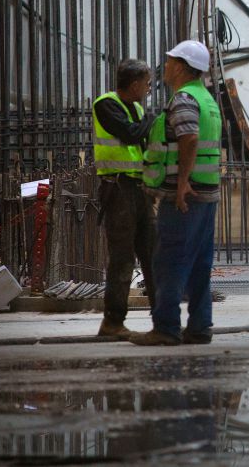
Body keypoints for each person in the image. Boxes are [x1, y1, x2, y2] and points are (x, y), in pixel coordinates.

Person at [130, 40, 222, 346]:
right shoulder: (207, 99)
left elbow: (189, 138)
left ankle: (166, 328)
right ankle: (199, 327)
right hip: (206, 194)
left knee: (168, 263)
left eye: (170, 62)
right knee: (199, 265)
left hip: (185, 197)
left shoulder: (184, 99)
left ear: (182, 67)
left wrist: (182, 183)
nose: (165, 67)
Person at [92, 58, 158, 338]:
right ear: (134, 84)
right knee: (122, 257)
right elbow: (131, 135)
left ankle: (163, 320)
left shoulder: (138, 109)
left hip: (139, 188)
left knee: (153, 253)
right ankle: (113, 322)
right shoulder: (105, 105)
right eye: (146, 83)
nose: (149, 88)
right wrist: (149, 122)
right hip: (118, 188)